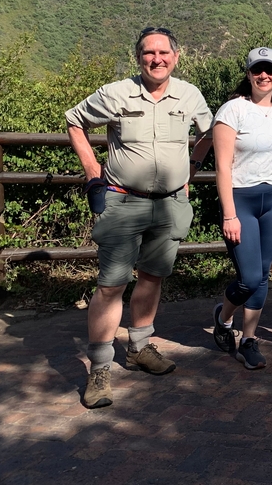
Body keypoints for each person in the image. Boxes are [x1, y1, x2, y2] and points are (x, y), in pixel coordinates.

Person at [67, 27, 213, 409]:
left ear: (176, 57)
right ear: (139, 58)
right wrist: (91, 169)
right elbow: (74, 120)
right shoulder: (116, 93)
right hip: (122, 202)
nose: (157, 59)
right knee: (111, 285)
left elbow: (211, 132)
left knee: (152, 277)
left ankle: (139, 348)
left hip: (169, 204)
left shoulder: (190, 95)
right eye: (149, 53)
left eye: (164, 52)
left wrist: (191, 169)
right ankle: (100, 367)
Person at [210, 47, 272, 370]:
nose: (264, 76)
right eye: (257, 70)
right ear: (248, 74)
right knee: (249, 277)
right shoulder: (232, 110)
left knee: (262, 278)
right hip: (241, 199)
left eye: (269, 70)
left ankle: (248, 340)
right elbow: (223, 167)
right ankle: (223, 316)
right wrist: (229, 214)